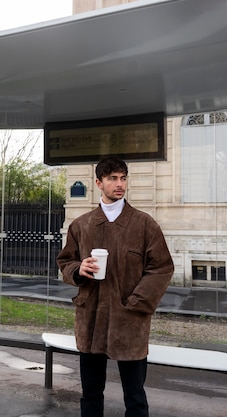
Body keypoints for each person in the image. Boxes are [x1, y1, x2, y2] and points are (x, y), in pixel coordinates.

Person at [56, 156, 174, 417]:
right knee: (90, 394)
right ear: (99, 183)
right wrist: (79, 269)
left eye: (123, 178)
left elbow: (162, 268)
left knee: (134, 396)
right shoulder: (82, 225)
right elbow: (66, 262)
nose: (119, 184)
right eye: (112, 178)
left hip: (129, 322)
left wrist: (135, 303)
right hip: (91, 320)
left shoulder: (144, 225)